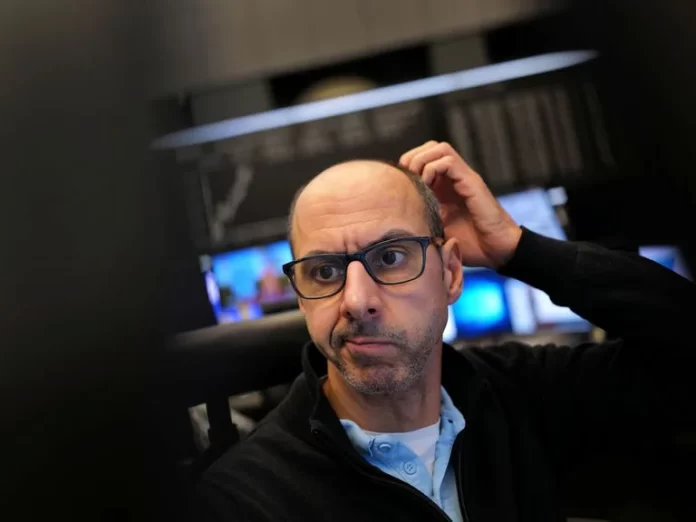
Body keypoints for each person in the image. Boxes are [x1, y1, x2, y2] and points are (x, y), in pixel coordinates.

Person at [195, 141, 695, 522]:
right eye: (325, 271)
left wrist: (518, 249)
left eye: (391, 258)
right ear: (301, 296)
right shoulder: (244, 499)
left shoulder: (520, 396)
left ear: (451, 274)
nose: (357, 300)